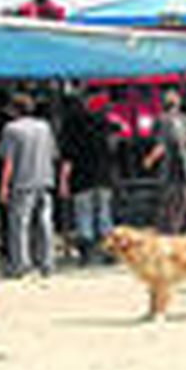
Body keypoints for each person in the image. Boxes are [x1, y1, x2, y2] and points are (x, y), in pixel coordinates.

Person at [0, 92, 59, 277]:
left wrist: (3, 185)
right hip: (45, 179)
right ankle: (47, 262)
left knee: (20, 224)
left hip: (22, 182)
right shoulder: (45, 127)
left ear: (14, 110)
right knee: (45, 223)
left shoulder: (11, 129)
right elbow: (53, 153)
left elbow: (8, 160)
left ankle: (21, 264)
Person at [143, 88, 186, 235]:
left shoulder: (166, 121)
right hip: (185, 171)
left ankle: (178, 236)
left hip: (176, 172)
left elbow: (160, 145)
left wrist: (150, 159)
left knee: (175, 211)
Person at [58, 97, 116, 264]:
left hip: (82, 178)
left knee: (84, 216)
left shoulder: (72, 130)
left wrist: (63, 181)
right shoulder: (103, 125)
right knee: (104, 215)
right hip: (104, 177)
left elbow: (68, 159)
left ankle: (87, 254)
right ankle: (108, 252)